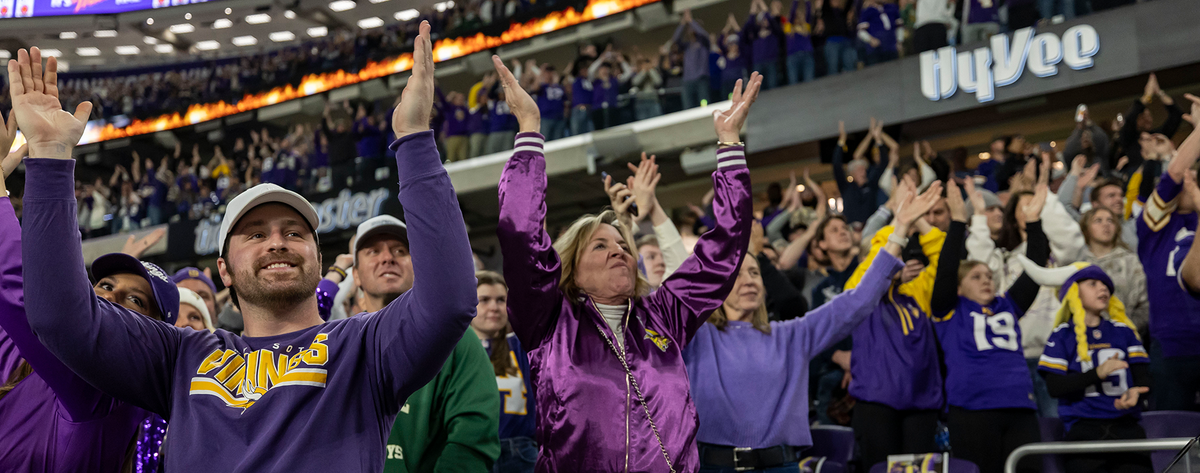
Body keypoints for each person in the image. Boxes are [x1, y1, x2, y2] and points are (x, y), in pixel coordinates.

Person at [16, 22, 477, 471]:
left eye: (295, 233)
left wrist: (414, 139)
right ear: (225, 270)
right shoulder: (179, 357)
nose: (277, 242)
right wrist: (50, 159)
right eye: (255, 234)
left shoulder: (366, 347)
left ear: (319, 261)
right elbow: (59, 314)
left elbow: (450, 300)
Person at [496, 45, 762, 472]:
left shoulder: (665, 316)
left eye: (621, 244)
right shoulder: (549, 321)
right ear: (570, 269)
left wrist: (729, 146)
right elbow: (521, 233)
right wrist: (529, 130)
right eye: (599, 246)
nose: (618, 250)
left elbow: (724, 248)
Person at [684, 187, 937, 472]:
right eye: (738, 274)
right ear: (717, 288)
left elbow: (859, 299)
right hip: (714, 467)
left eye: (754, 272)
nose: (749, 280)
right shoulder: (696, 337)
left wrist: (900, 228)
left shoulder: (792, 335)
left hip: (783, 466)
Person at [0, 130, 173, 472]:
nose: (108, 295)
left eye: (135, 300)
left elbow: (20, 289)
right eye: (105, 284)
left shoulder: (111, 395)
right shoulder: (24, 360)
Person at [349, 215, 500, 473]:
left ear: (418, 265)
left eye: (400, 250)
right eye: (373, 251)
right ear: (356, 276)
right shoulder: (338, 344)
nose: (387, 258)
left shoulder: (454, 338)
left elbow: (473, 434)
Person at [930, 180, 1049, 473]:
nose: (986, 280)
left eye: (988, 275)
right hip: (972, 409)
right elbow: (945, 271)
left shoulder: (1007, 304)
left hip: (1020, 406)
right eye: (975, 277)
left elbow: (1036, 267)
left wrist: (1034, 223)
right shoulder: (949, 310)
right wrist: (958, 223)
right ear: (959, 288)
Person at [843, 179, 946, 470]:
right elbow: (873, 270)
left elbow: (944, 257)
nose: (897, 261)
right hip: (877, 403)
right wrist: (899, 221)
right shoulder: (862, 295)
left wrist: (920, 221)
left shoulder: (917, 291)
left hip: (922, 402)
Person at [1030, 261, 1152, 473]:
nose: (1103, 288)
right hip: (1083, 428)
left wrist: (1137, 394)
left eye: (1105, 284)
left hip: (1126, 425)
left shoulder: (1124, 331)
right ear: (1074, 293)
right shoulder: (1062, 335)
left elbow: (1143, 378)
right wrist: (1097, 373)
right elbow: (1055, 387)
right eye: (1093, 283)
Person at [1138, 94, 1200, 412]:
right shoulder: (1155, 225)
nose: (1188, 177)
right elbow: (1175, 171)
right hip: (1172, 343)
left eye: (1196, 174)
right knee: (1173, 442)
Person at [473, 271, 539, 473]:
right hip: (474, 451)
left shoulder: (523, 347)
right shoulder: (455, 353)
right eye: (484, 300)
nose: (494, 307)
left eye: (501, 300)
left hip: (521, 451)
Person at [1066, 207, 1150, 342]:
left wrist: (1124, 330)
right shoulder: (1078, 264)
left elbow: (1144, 306)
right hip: (1085, 340)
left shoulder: (1131, 261)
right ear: (1086, 229)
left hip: (1126, 339)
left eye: (1110, 221)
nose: (1106, 225)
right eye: (1098, 221)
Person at [672, 9, 711, 110]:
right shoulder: (687, 46)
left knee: (704, 104)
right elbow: (675, 39)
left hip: (701, 78)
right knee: (688, 106)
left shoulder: (704, 43)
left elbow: (703, 34)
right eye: (690, 27)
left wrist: (691, 21)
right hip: (687, 80)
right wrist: (682, 24)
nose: (691, 29)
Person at [783, 0, 816, 84]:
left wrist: (807, 2)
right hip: (793, 57)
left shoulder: (806, 27)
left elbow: (809, 13)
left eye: (799, 15)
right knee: (793, 83)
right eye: (796, 16)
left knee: (809, 81)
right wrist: (795, 2)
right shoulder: (789, 27)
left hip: (807, 56)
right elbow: (792, 13)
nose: (797, 17)